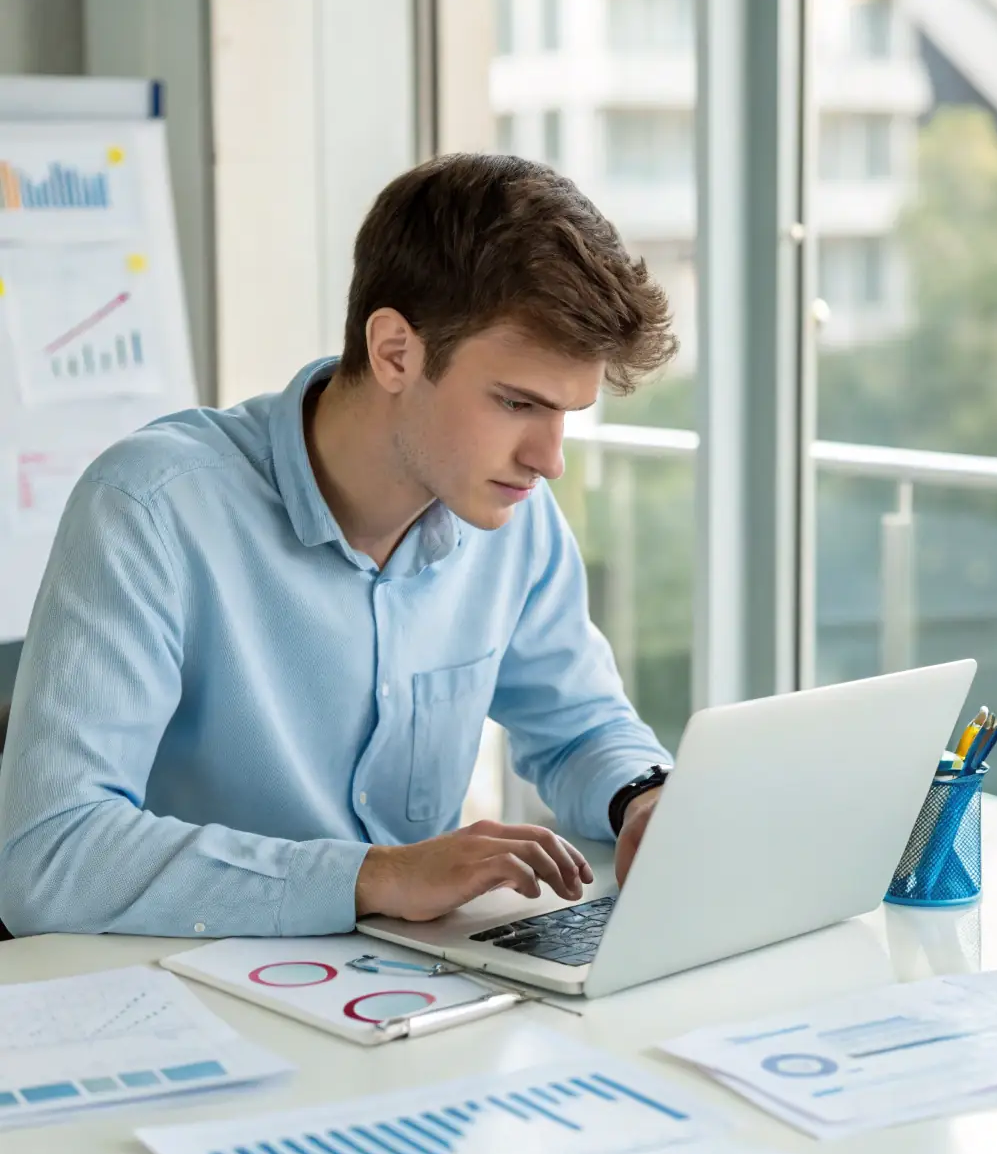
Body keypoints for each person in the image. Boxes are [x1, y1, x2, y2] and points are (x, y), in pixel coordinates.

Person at [0, 153, 678, 939]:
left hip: (403, 999)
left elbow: (582, 726)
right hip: (179, 1000)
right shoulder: (150, 511)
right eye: (517, 402)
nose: (548, 458)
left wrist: (645, 796)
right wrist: (375, 876)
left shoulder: (512, 514)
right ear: (395, 351)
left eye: (567, 412)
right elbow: (46, 856)